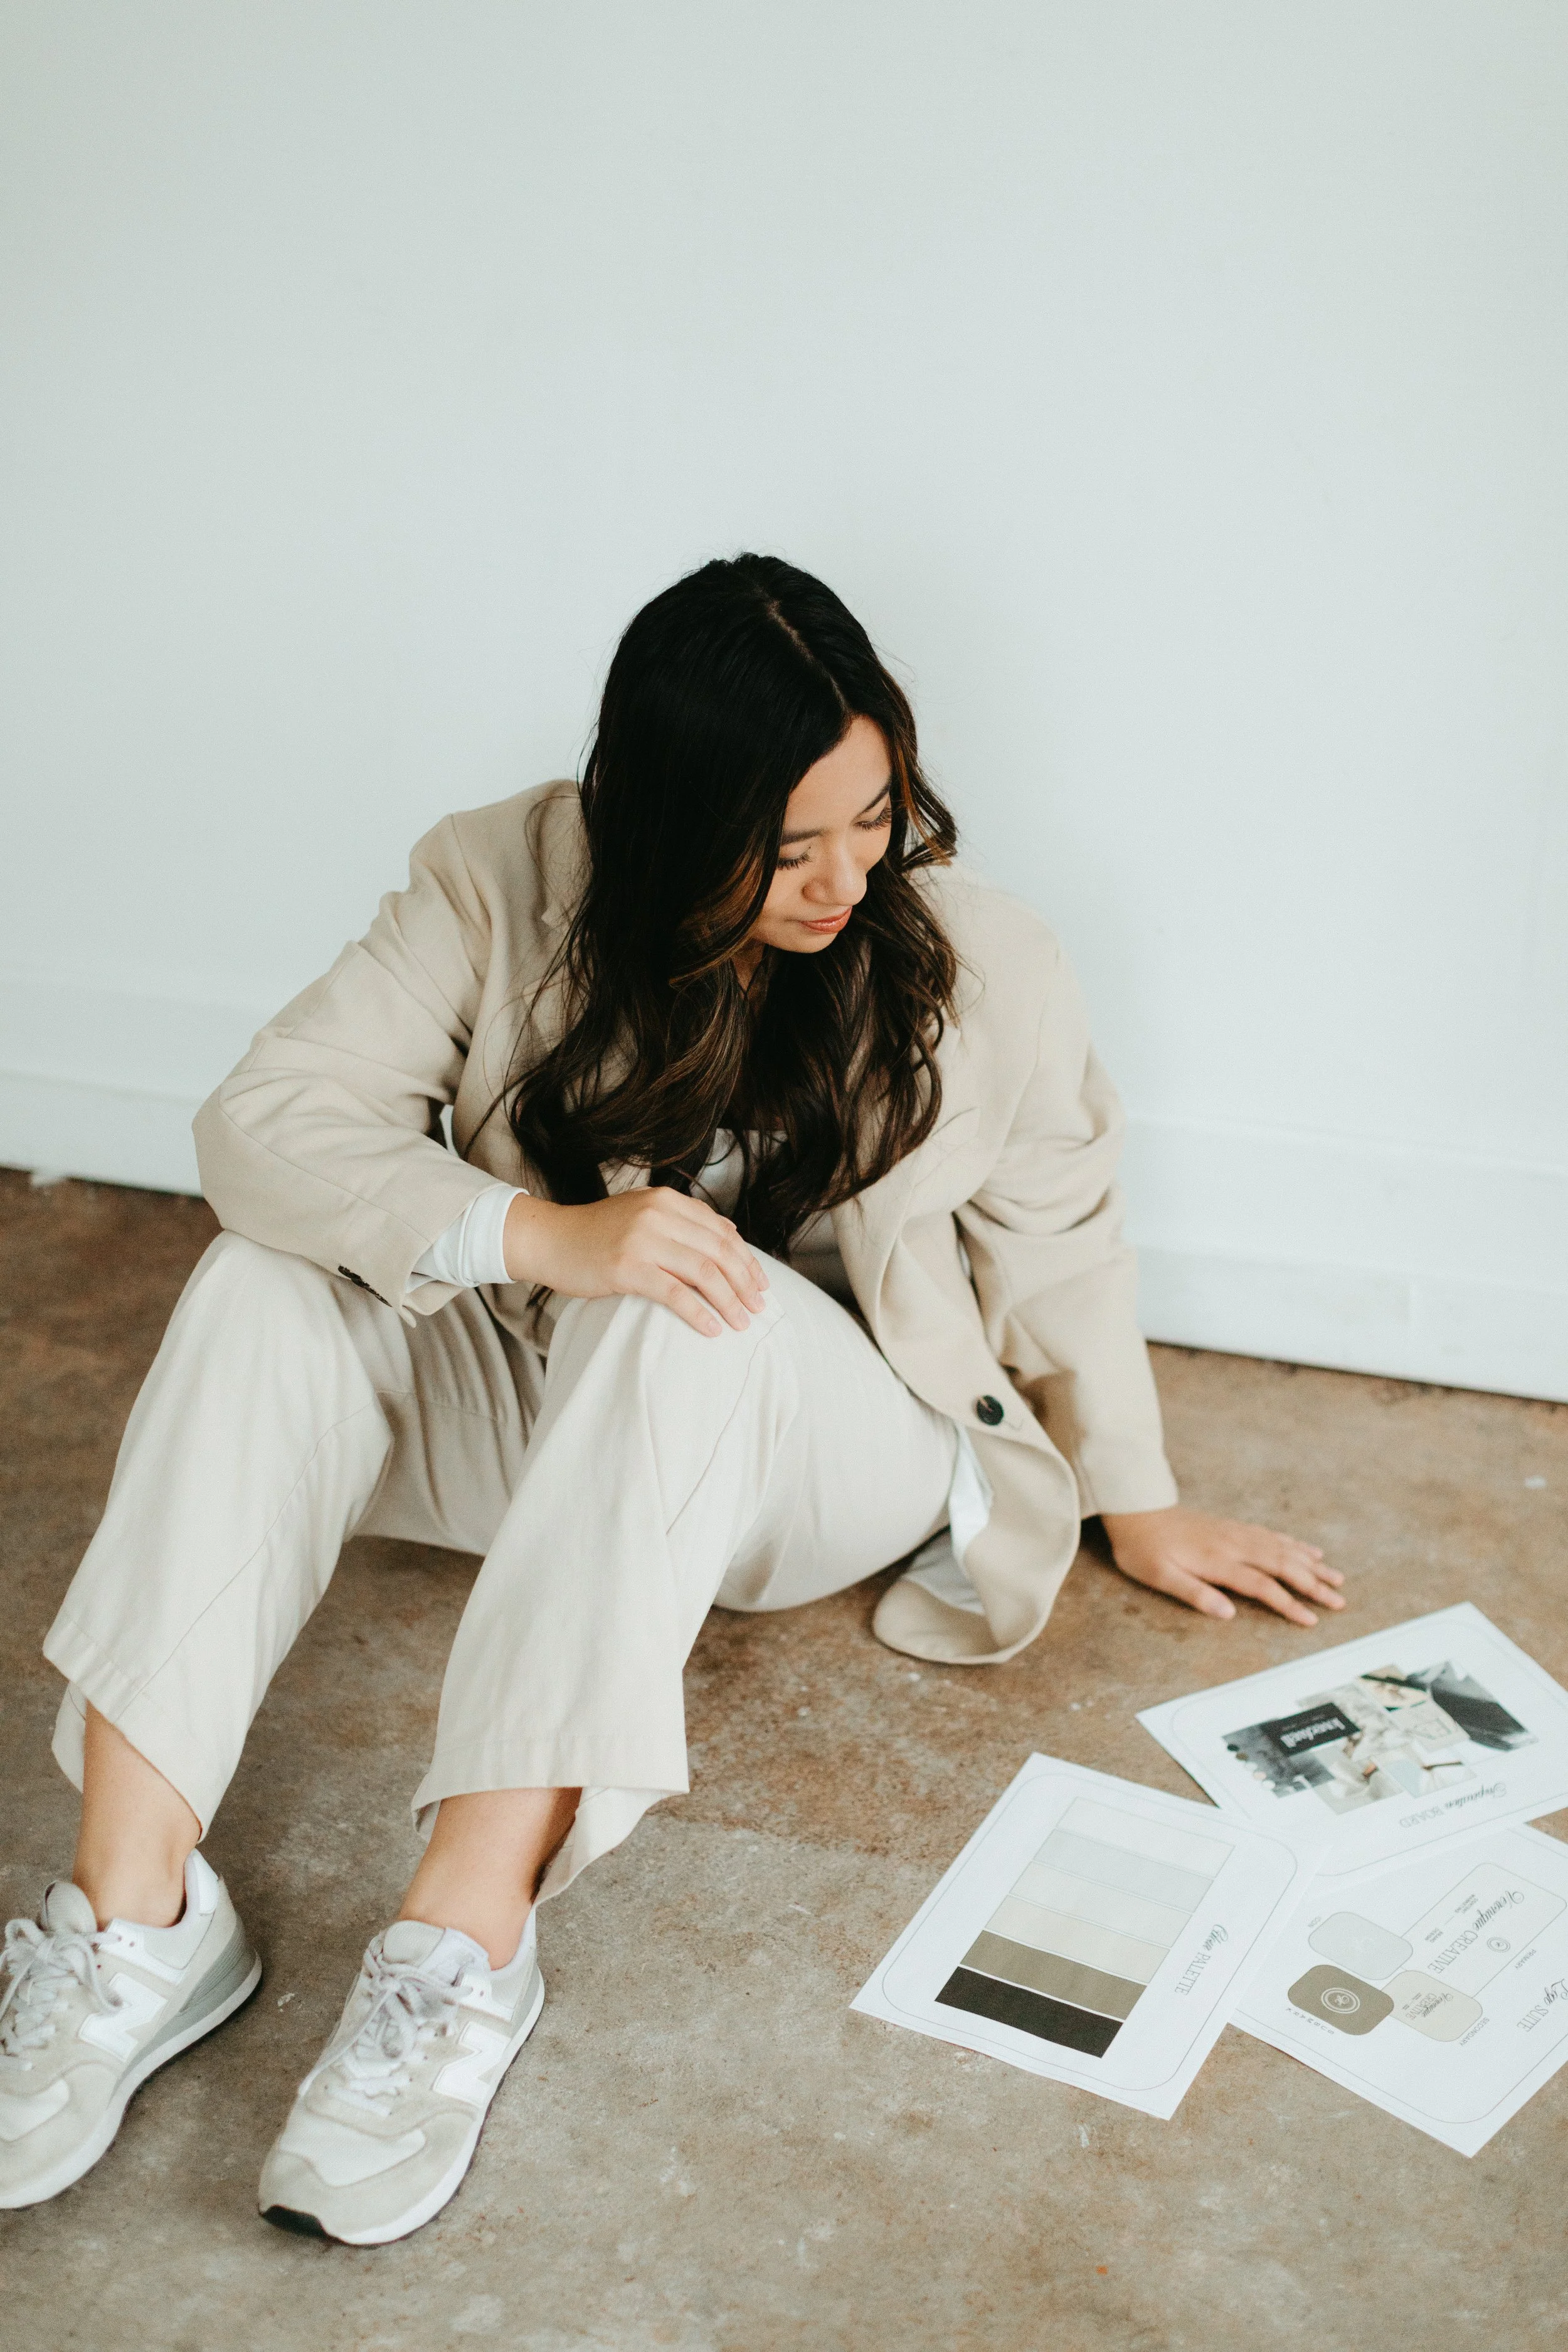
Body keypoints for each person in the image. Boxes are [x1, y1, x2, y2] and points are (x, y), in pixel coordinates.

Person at [0, 555, 1343, 2239]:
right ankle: (134, 1910)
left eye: (875, 817)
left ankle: (459, 1945)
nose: (845, 875)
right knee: (264, 1274)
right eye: (787, 846)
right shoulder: (496, 874)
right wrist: (538, 1230)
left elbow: (1065, 1236)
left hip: (821, 1442)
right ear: (658, 817)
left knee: (683, 1291)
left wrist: (1129, 1495)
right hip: (562, 1411)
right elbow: (260, 1123)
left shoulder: (983, 963)